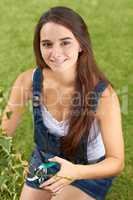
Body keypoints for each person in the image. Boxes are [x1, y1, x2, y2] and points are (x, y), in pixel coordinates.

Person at [1, 6, 124, 200]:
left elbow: (116, 161)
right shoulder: (28, 81)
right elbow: (3, 133)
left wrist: (76, 172)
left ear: (81, 45)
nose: (55, 53)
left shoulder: (103, 96)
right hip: (46, 162)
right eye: (47, 44)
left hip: (88, 170)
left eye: (65, 43)